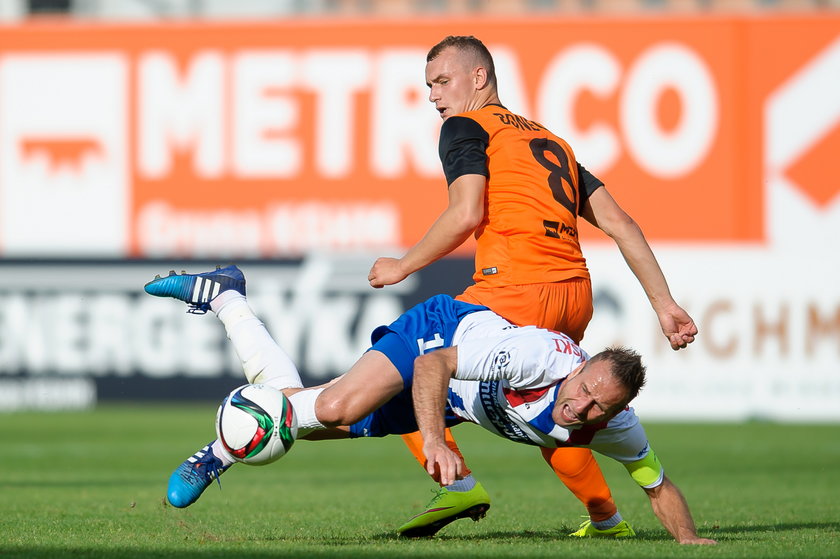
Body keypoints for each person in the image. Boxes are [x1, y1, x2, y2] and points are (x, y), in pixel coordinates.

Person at [367, 35, 699, 537]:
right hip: (572, 296)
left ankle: (457, 487)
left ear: (479, 78)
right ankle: (606, 519)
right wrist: (664, 303)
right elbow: (623, 224)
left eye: (441, 81)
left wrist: (403, 266)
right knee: (554, 411)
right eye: (429, 86)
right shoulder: (552, 143)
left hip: (513, 290)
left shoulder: (464, 126)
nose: (434, 95)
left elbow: (465, 213)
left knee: (403, 365)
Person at [145, 265, 716, 545]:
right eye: (585, 389)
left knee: (294, 418)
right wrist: (437, 441)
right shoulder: (535, 357)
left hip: (451, 402)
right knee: (339, 405)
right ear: (581, 367)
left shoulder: (615, 426)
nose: (581, 407)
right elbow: (432, 365)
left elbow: (656, 484)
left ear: (616, 413)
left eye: (599, 407)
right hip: (438, 337)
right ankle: (221, 451)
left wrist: (689, 543)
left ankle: (225, 296)